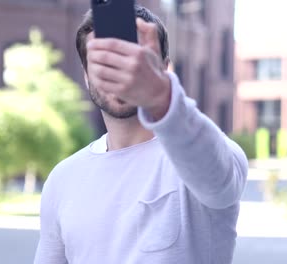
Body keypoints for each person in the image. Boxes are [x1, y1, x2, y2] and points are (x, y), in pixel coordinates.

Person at [34, 5, 248, 264]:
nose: (121, 73)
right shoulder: (63, 178)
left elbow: (220, 184)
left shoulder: (207, 156)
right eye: (105, 63)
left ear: (163, 69)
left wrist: (159, 95)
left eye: (135, 60)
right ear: (87, 77)